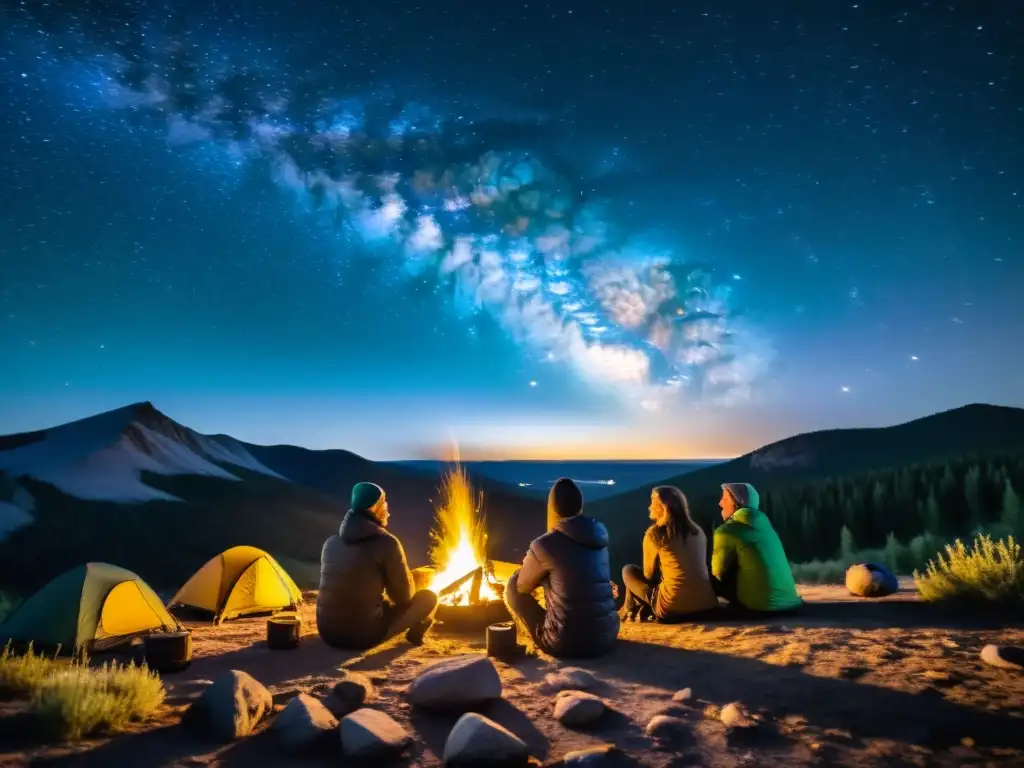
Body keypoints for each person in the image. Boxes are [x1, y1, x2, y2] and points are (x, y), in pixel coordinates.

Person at [504, 477, 619, 658]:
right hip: (607, 636)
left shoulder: (545, 544)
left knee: (512, 587)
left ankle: (528, 636)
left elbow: (522, 586)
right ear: (580, 506)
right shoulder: (599, 538)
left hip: (566, 643)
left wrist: (529, 568)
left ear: (553, 507)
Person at [317, 482, 438, 649]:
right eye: (385, 505)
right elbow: (404, 598)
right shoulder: (387, 543)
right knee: (428, 598)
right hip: (362, 636)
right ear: (376, 509)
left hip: (327, 633)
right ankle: (416, 633)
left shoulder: (330, 543)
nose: (388, 512)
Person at [620, 485, 719, 622]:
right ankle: (631, 610)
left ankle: (629, 611)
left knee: (628, 570)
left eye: (652, 503)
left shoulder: (655, 533)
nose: (649, 507)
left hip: (671, 610)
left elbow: (647, 575)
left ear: (663, 507)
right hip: (707, 606)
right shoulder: (697, 531)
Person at [711, 482, 802, 614]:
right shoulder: (767, 529)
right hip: (789, 603)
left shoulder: (726, 531)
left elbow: (718, 574)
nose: (720, 503)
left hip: (757, 607)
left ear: (736, 502)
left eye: (724, 499)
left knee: (702, 570)